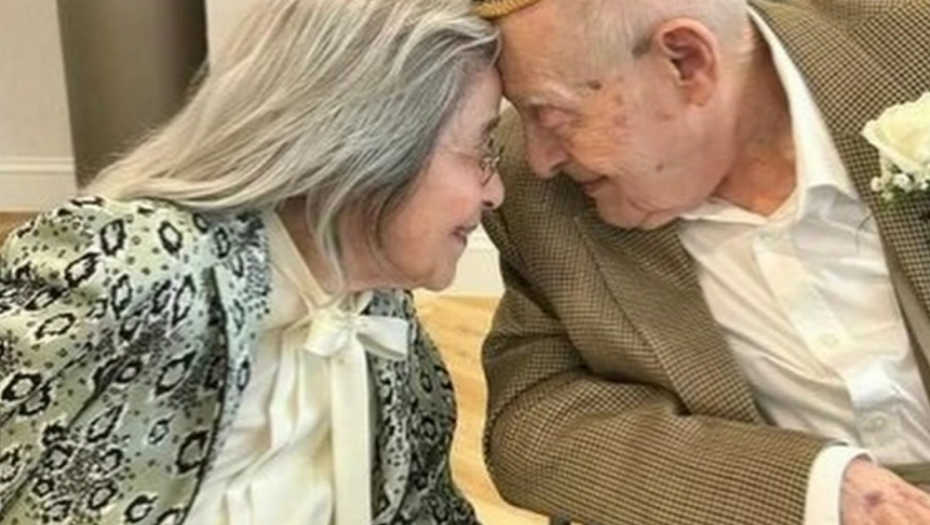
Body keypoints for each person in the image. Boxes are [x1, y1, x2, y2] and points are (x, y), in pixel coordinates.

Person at [0, 0, 503, 523]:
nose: (496, 193)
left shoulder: (383, 319)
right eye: (482, 149)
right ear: (374, 136)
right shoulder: (137, 264)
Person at [470, 0, 930, 524]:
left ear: (686, 61)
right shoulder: (531, 192)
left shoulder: (909, 48)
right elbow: (535, 424)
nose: (540, 158)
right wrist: (817, 490)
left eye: (551, 116)